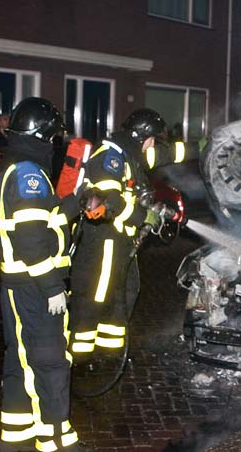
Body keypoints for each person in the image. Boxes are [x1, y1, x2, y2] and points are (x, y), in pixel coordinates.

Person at [0, 97, 86, 452]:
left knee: (22, 367)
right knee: (49, 364)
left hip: (20, 288)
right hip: (34, 288)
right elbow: (32, 241)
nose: (55, 144)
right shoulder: (29, 172)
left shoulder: (18, 167)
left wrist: (77, 203)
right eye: (53, 137)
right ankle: (58, 444)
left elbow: (45, 222)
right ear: (44, 135)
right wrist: (52, 288)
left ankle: (15, 443)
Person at [69, 109, 190, 357]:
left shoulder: (130, 156)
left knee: (124, 294)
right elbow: (110, 201)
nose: (153, 145)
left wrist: (201, 147)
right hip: (102, 242)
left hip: (121, 241)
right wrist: (143, 216)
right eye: (152, 139)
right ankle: (79, 358)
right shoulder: (110, 159)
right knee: (96, 296)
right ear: (141, 136)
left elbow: (167, 154)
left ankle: (110, 355)